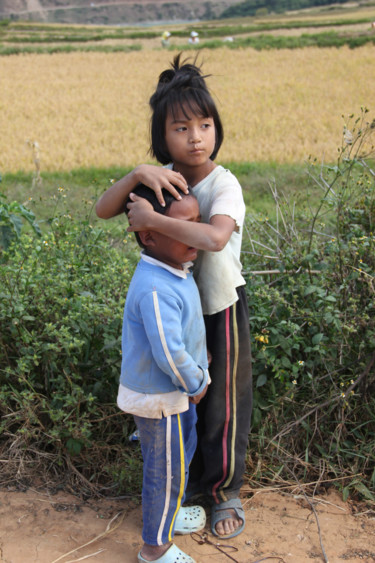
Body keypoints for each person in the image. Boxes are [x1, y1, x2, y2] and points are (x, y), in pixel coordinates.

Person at [96, 53, 253, 541]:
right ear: (162, 137)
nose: (196, 137)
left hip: (218, 305)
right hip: (172, 307)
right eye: (181, 128)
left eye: (204, 125)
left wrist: (153, 221)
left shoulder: (224, 184)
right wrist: (139, 173)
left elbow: (214, 239)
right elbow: (104, 209)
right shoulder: (161, 178)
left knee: (223, 402)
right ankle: (180, 488)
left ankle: (224, 490)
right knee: (180, 398)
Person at [118, 183, 210, 563]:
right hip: (161, 398)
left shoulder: (175, 269)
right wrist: (196, 381)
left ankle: (168, 517)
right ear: (149, 235)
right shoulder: (156, 287)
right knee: (165, 471)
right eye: (181, 225)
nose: (194, 231)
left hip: (175, 395)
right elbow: (169, 352)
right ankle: (155, 547)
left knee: (179, 456)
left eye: (197, 222)